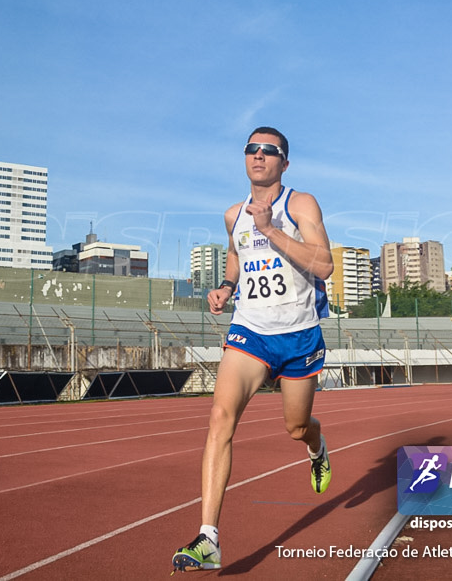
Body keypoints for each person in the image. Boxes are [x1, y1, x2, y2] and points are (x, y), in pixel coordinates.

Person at [172, 127, 334, 572]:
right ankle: (208, 539)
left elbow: (324, 265)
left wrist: (270, 230)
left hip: (299, 334)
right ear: (244, 158)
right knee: (220, 418)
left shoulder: (300, 204)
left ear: (285, 162)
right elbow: (236, 254)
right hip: (250, 331)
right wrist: (226, 286)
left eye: (270, 151)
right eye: (252, 149)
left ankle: (317, 448)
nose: (259, 155)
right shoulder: (232, 215)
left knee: (296, 426)